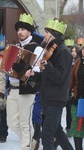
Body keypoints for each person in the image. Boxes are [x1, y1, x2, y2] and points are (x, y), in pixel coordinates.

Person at [25, 18, 74, 150]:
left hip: (56, 99)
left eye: (46, 32)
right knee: (57, 131)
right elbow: (47, 76)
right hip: (49, 98)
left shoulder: (63, 52)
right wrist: (34, 75)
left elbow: (59, 77)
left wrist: (47, 65)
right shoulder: (51, 51)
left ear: (54, 34)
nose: (44, 35)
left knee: (47, 134)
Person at [6, 13, 43, 150]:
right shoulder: (14, 47)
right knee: (11, 123)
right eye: (18, 30)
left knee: (24, 123)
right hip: (12, 88)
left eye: (23, 29)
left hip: (27, 89)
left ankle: (26, 147)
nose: (20, 32)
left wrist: (23, 68)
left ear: (29, 31)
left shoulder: (37, 48)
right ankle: (31, 143)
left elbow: (38, 72)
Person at [0, 34, 8, 143]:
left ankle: (3, 133)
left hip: (1, 89)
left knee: (2, 111)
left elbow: (2, 76)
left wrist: (1, 92)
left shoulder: (2, 59)